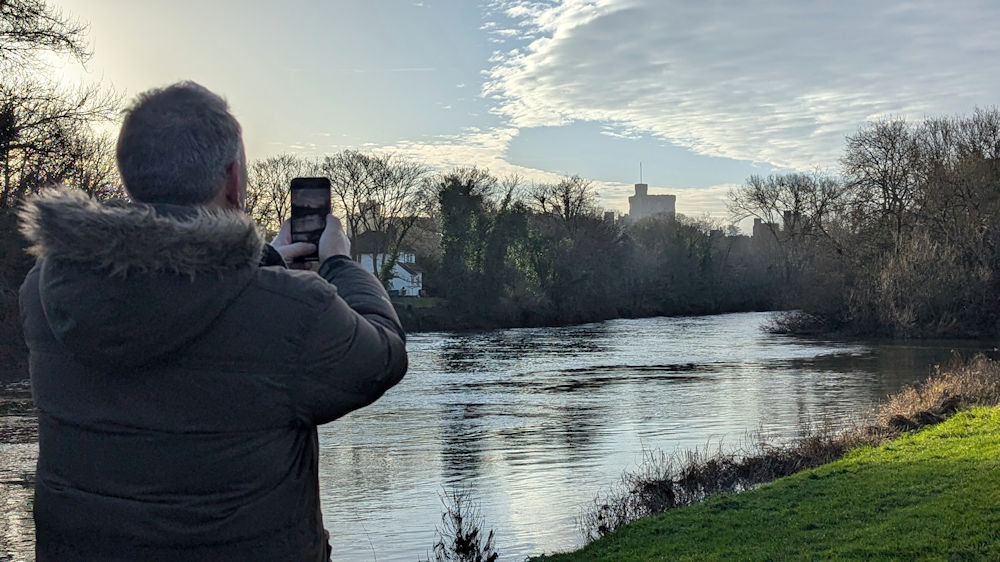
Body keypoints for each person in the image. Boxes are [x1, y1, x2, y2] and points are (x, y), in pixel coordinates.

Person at [18, 81, 408, 561]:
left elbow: (168, 292)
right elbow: (384, 354)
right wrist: (339, 264)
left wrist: (264, 260)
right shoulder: (296, 310)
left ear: (130, 179)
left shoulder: (43, 290)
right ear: (232, 179)